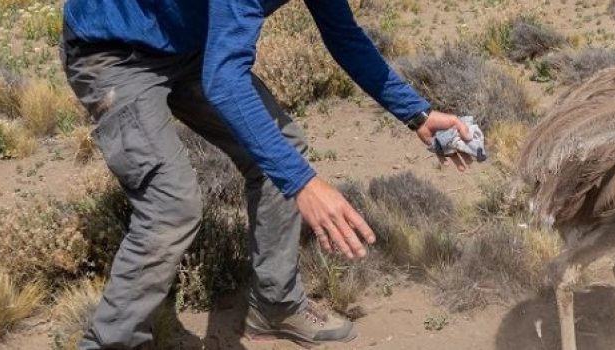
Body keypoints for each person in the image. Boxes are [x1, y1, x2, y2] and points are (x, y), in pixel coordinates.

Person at [59, 0, 474, 348]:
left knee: (282, 149)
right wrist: (303, 184)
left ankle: (275, 304)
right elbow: (224, 79)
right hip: (111, 54)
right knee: (171, 205)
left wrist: (415, 113)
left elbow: (343, 35)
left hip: (191, 47)